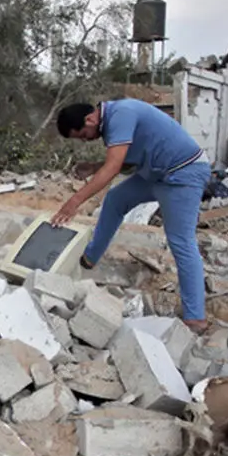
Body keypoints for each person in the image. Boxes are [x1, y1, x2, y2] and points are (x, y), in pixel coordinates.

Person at [51, 99, 212, 332]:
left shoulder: (121, 114)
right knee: (117, 199)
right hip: (157, 175)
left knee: (181, 240)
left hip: (183, 173)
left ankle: (196, 317)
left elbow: (113, 167)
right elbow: (126, 161)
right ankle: (90, 257)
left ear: (90, 119)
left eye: (83, 135)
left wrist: (74, 202)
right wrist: (95, 166)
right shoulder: (110, 123)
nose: (86, 139)